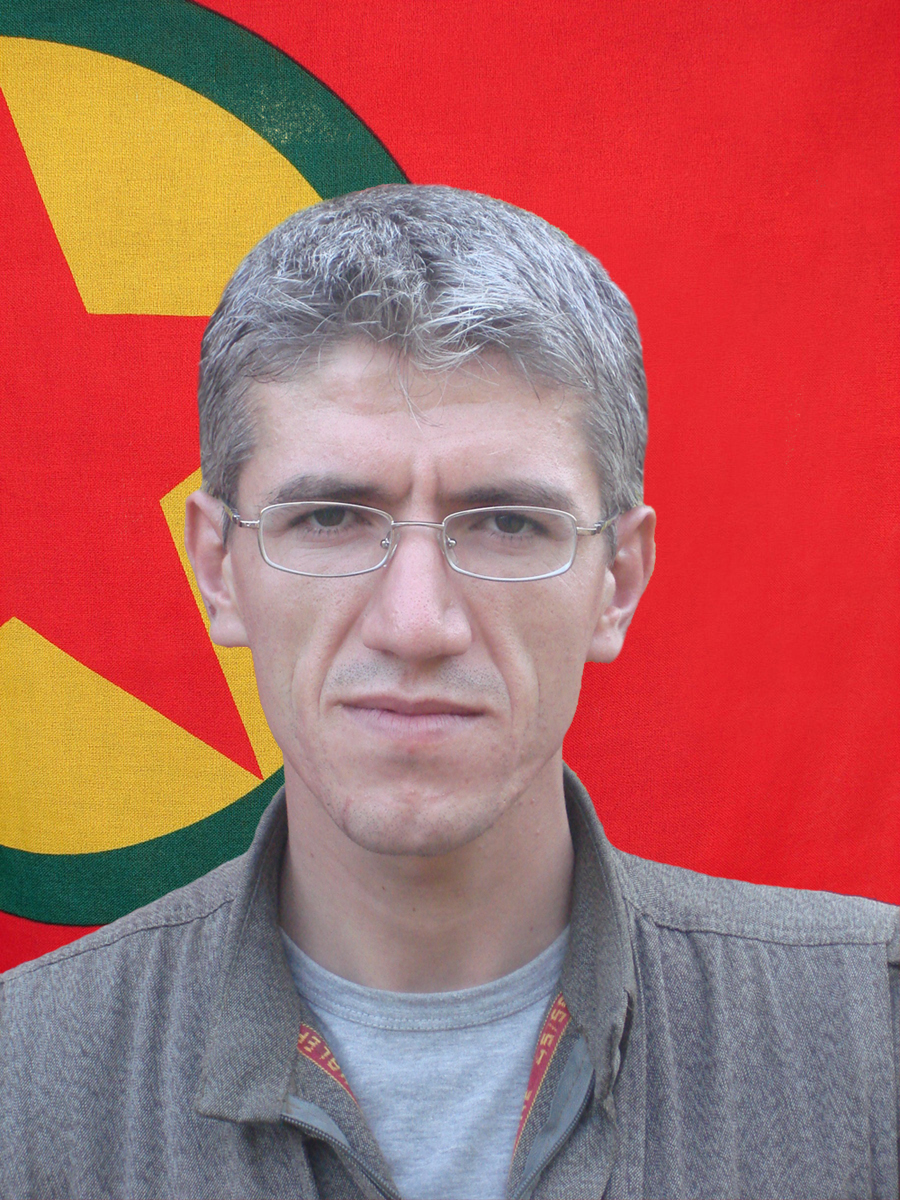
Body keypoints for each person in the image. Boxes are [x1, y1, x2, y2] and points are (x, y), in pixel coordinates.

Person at [1, 185, 897, 1200]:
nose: (417, 623)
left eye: (507, 524)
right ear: (218, 568)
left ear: (618, 581)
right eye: (330, 517)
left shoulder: (874, 1045)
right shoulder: (20, 1082)